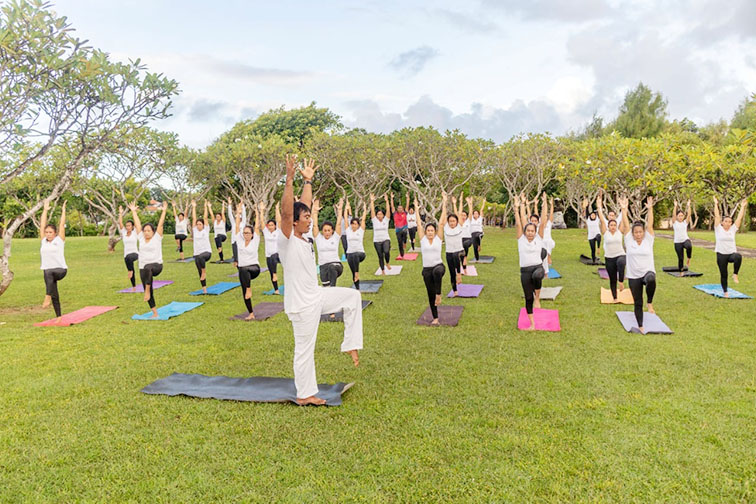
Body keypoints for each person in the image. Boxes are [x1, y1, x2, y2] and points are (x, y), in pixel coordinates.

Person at [278, 155, 363, 406]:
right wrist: (290, 179)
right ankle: (304, 394)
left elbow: (302, 206)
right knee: (304, 350)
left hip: (316, 295)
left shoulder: (304, 237)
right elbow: (287, 211)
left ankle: (350, 343)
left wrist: (307, 181)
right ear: (294, 223)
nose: (309, 219)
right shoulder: (287, 239)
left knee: (352, 296)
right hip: (301, 306)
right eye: (305, 219)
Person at [620, 196, 656, 334]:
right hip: (634, 276)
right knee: (637, 302)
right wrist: (624, 209)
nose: (638, 234)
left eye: (640, 232)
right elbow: (626, 225)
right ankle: (640, 325)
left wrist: (650, 209)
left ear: (644, 233)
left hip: (647, 272)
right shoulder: (629, 241)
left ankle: (650, 302)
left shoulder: (648, 240)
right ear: (633, 234)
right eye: (636, 232)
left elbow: (650, 225)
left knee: (651, 279)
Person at [514, 193, 548, 330]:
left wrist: (544, 203)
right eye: (527, 231)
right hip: (525, 271)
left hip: (537, 268)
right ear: (525, 231)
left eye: (532, 231)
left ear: (535, 232)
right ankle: (532, 323)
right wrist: (518, 207)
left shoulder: (538, 238)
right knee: (528, 298)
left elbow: (543, 221)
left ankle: (538, 297)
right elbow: (519, 221)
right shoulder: (520, 240)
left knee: (537, 275)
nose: (530, 233)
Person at [130, 200, 168, 318]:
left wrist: (164, 211)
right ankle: (155, 313)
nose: (146, 233)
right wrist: (133, 212)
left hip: (156, 266)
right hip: (143, 268)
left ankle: (146, 290)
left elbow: (160, 224)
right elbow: (137, 224)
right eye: (145, 231)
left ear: (153, 232)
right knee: (146, 273)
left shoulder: (157, 237)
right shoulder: (141, 238)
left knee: (148, 268)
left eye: (148, 231)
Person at [417, 193, 447, 326]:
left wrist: (444, 203)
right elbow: (418, 224)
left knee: (437, 272)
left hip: (439, 266)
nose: (430, 232)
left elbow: (441, 223)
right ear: (425, 231)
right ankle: (435, 317)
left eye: (432, 230)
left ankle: (439, 294)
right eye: (428, 230)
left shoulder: (438, 239)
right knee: (430, 293)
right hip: (426, 269)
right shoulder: (422, 240)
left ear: (435, 232)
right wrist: (416, 210)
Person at [713, 196, 748, 297]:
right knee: (724, 274)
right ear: (722, 222)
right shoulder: (718, 229)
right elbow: (717, 216)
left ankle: (735, 274)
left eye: (730, 222)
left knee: (738, 256)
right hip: (721, 255)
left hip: (731, 254)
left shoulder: (732, 230)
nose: (728, 223)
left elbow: (739, 218)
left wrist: (742, 207)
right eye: (726, 221)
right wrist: (716, 204)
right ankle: (725, 292)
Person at [39, 199, 68, 321]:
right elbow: (42, 224)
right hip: (49, 273)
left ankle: (47, 296)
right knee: (54, 293)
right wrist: (45, 210)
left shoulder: (59, 240)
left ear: (55, 233)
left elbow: (61, 225)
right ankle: (59, 317)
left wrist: (63, 211)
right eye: (46, 232)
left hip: (61, 270)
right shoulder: (43, 242)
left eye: (50, 232)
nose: (48, 234)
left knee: (47, 272)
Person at [235, 201, 262, 320]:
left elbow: (257, 226)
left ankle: (249, 288)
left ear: (252, 234)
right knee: (243, 289)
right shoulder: (240, 241)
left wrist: (258, 212)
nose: (246, 235)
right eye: (244, 233)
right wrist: (238, 213)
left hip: (254, 269)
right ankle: (251, 313)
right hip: (243, 270)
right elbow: (236, 226)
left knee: (244, 269)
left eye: (248, 233)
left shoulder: (255, 241)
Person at [597, 192, 626, 302]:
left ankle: (622, 281)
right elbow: (601, 218)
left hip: (620, 255)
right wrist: (599, 207)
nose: (613, 227)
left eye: (614, 225)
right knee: (612, 279)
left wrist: (624, 208)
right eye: (611, 225)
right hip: (609, 258)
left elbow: (624, 220)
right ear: (608, 226)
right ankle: (614, 297)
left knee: (621, 262)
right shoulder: (606, 233)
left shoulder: (620, 232)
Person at [312, 198, 344, 288]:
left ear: (332, 231)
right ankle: (331, 294)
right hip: (323, 267)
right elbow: (314, 225)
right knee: (326, 287)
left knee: (331, 268)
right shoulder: (318, 238)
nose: (327, 232)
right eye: (325, 230)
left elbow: (338, 224)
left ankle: (333, 289)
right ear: (322, 231)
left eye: (329, 230)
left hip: (336, 265)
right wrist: (315, 212)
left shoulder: (335, 237)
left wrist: (340, 210)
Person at [190, 200, 212, 294]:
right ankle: (204, 289)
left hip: (207, 252)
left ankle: (204, 271)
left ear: (203, 225)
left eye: (200, 224)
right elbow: (194, 218)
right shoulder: (195, 230)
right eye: (197, 224)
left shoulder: (206, 230)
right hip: (197, 254)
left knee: (200, 258)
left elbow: (205, 217)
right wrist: (194, 207)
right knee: (199, 270)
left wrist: (205, 207)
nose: (198, 225)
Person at [444, 195, 464, 296]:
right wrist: (444, 202)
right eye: (450, 221)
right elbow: (443, 218)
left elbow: (458, 214)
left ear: (456, 221)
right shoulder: (446, 228)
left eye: (453, 221)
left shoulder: (459, 227)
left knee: (456, 255)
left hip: (459, 252)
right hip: (449, 253)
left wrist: (455, 204)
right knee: (451, 272)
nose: (452, 223)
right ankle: (455, 291)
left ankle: (459, 273)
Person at [345, 202, 368, 289]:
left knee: (355, 255)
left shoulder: (360, 231)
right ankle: (357, 288)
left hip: (360, 254)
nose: (353, 225)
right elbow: (346, 219)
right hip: (350, 254)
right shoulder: (348, 231)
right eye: (352, 224)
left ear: (358, 225)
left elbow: (364, 220)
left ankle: (357, 273)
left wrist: (365, 209)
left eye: (355, 224)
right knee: (353, 272)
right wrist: (346, 208)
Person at [261, 201, 282, 294]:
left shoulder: (278, 231)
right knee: (271, 273)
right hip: (268, 255)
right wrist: (261, 210)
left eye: (272, 225)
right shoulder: (265, 232)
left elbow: (279, 220)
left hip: (278, 254)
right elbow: (261, 221)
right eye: (269, 225)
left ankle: (275, 273)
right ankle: (276, 290)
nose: (270, 227)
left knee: (274, 257)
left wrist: (277, 209)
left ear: (275, 226)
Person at [118, 205, 139, 291]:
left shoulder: (135, 233)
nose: (127, 227)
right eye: (127, 226)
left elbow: (137, 223)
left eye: (129, 226)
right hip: (126, 256)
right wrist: (120, 213)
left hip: (135, 254)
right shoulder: (124, 233)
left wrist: (134, 211)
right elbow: (120, 223)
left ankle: (130, 271)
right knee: (128, 260)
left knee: (129, 260)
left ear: (132, 226)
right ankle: (134, 287)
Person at [370, 193, 392, 274]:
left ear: (383, 215)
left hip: (385, 239)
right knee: (380, 256)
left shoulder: (386, 220)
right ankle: (383, 270)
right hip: (377, 241)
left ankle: (388, 262)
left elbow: (388, 210)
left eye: (380, 214)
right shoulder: (374, 221)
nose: (379, 215)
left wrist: (387, 201)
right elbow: (372, 210)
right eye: (378, 214)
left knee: (386, 251)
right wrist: (372, 201)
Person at [672, 200, 693, 273]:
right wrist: (675, 206)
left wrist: (688, 205)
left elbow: (689, 215)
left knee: (689, 246)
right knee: (680, 258)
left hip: (685, 240)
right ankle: (681, 271)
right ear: (677, 217)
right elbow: (673, 215)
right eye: (679, 216)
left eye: (682, 216)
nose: (681, 217)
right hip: (677, 242)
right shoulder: (675, 223)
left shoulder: (685, 223)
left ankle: (688, 259)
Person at [227, 196, 247, 267]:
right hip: (234, 242)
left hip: (242, 241)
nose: (238, 218)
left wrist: (242, 204)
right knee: (236, 260)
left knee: (242, 257)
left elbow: (244, 214)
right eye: (236, 217)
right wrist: (229, 204)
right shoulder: (233, 223)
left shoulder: (243, 223)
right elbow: (230, 215)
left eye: (239, 217)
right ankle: (240, 271)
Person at [583, 197, 602, 264]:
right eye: (592, 215)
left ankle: (598, 248)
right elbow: (587, 211)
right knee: (592, 249)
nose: (593, 216)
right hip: (591, 236)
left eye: (594, 215)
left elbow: (600, 212)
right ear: (590, 216)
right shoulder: (588, 219)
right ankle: (593, 260)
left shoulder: (597, 219)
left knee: (599, 236)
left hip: (597, 234)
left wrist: (599, 204)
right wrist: (587, 205)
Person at [390, 192, 410, 258]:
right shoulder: (395, 213)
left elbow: (407, 205)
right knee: (399, 243)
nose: (400, 209)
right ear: (397, 209)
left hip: (404, 228)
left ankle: (405, 242)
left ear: (403, 209)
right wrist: (391, 198)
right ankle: (402, 254)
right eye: (398, 208)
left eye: (401, 208)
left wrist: (407, 197)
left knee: (404, 233)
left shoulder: (405, 213)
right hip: (398, 230)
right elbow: (392, 206)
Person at [459, 194, 472, 273]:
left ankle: (465, 257)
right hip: (460, 239)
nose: (463, 217)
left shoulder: (468, 221)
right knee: (461, 255)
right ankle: (464, 269)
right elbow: (459, 212)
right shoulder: (459, 222)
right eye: (462, 215)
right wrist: (460, 201)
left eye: (465, 215)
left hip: (468, 239)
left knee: (466, 245)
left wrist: (469, 203)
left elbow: (470, 212)